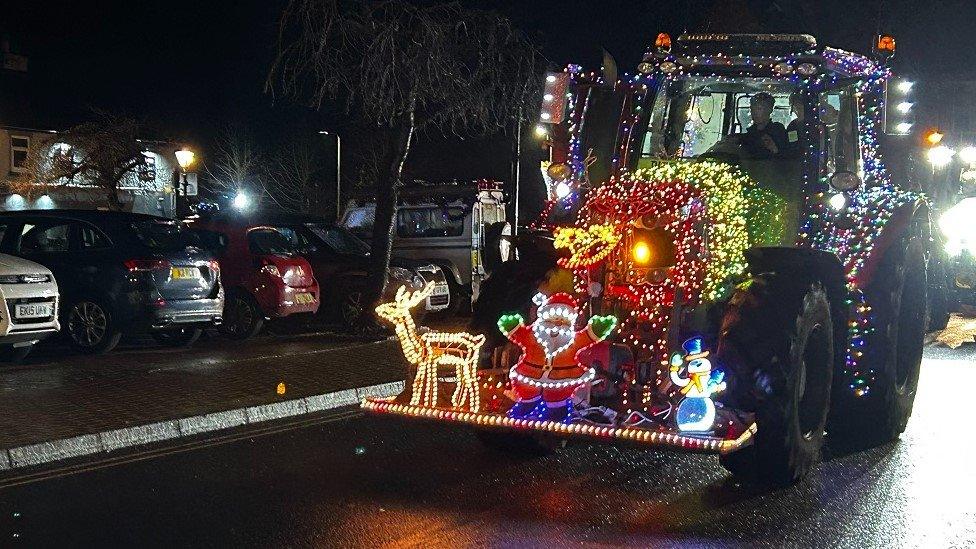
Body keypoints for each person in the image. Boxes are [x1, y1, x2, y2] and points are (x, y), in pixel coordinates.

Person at [740, 92, 787, 159]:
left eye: (759, 109)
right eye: (752, 109)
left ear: (770, 110)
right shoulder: (749, 135)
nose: (754, 112)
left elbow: (788, 158)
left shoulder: (778, 132)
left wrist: (774, 149)